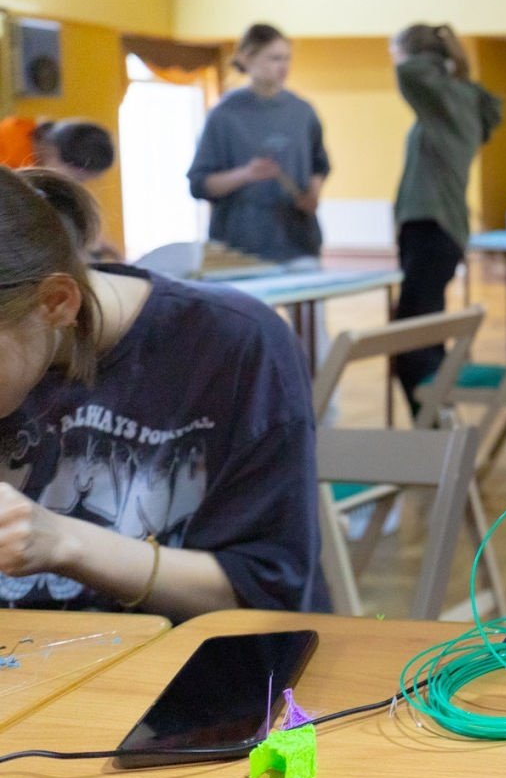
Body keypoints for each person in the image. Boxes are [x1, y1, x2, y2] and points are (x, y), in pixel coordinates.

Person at [0, 166, 326, 617]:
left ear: (57, 302)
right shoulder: (22, 348)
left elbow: (267, 590)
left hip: (200, 656)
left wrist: (63, 542)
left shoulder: (230, 344)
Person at [390, 22, 503, 408]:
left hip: (432, 228)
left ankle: (435, 432)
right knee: (425, 338)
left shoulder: (451, 99)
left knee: (411, 345)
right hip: (432, 228)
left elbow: (408, 73)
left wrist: (429, 59)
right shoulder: (453, 100)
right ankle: (439, 428)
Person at [187, 24, 331, 264]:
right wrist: (246, 174)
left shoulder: (303, 112)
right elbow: (200, 185)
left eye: (286, 58)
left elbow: (319, 165)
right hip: (239, 249)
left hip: (298, 245)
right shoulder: (224, 115)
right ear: (247, 58)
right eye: (274, 58)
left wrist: (312, 194)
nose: (283, 66)